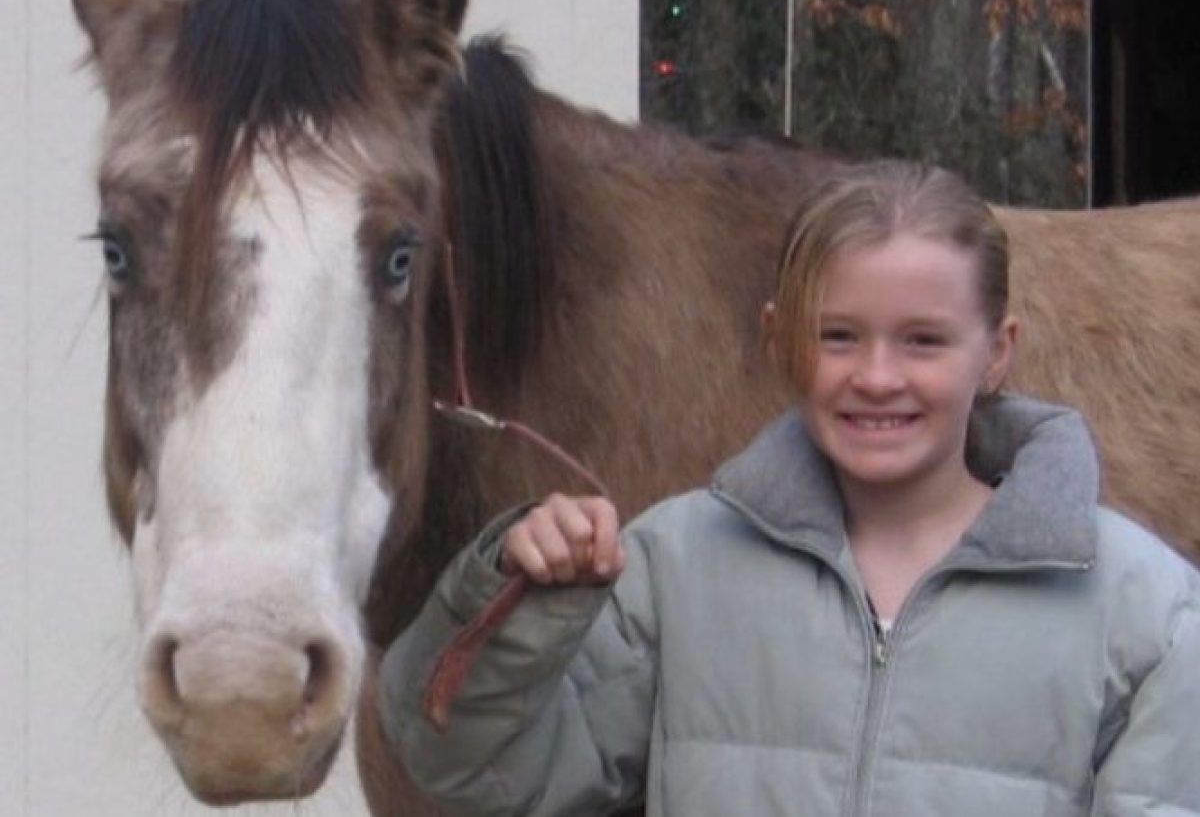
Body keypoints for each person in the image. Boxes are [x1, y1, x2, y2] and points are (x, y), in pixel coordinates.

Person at [379, 159, 1200, 816]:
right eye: (837, 336)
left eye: (923, 341)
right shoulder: (676, 568)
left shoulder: (1145, 613)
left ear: (997, 352)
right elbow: (474, 774)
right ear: (779, 341)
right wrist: (519, 609)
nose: (878, 377)